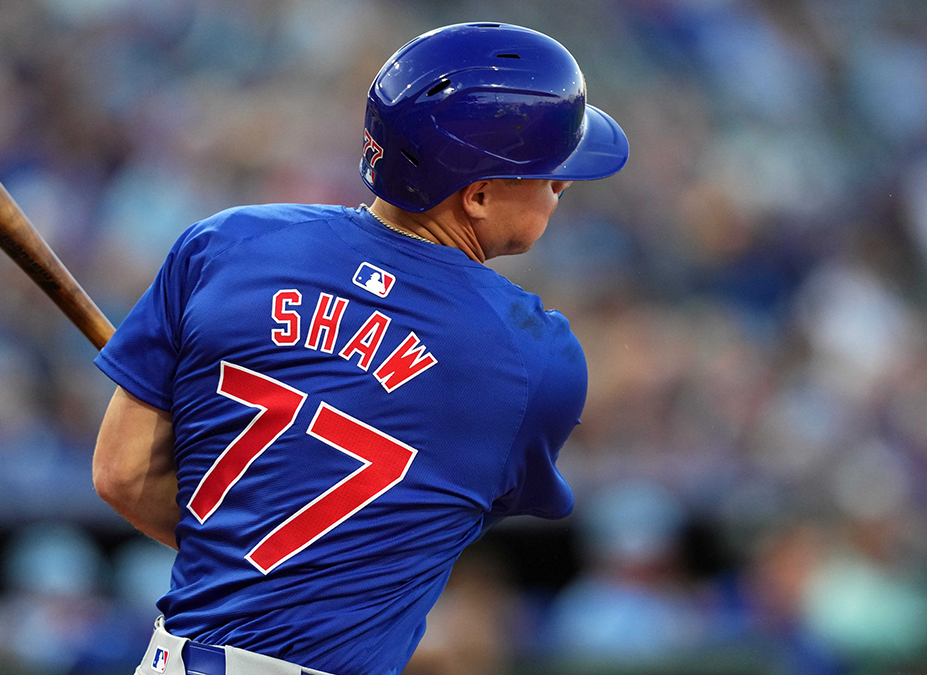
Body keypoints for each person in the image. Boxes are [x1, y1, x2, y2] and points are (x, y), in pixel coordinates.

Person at [91, 21, 629, 675]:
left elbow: (122, 474)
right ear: (479, 194)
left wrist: (245, 547)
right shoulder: (534, 355)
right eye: (547, 170)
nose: (563, 184)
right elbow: (405, 534)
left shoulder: (224, 244)